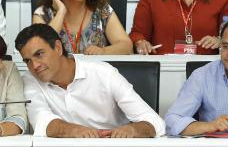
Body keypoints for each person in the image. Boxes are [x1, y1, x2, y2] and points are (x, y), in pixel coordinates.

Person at [15, 24, 165, 138]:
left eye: (39, 54)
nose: (34, 66)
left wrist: (133, 130)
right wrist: (75, 130)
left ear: (58, 48)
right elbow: (42, 121)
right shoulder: (29, 79)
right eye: (28, 61)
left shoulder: (103, 73)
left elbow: (154, 121)